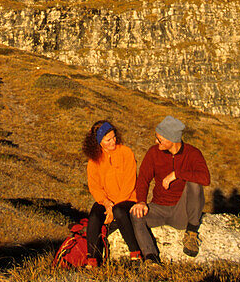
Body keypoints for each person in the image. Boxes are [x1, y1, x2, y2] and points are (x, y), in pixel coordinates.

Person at [130, 115, 210, 261]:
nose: (156, 141)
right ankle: (151, 257)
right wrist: (141, 201)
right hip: (158, 208)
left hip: (181, 212)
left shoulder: (192, 154)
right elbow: (143, 179)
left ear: (171, 139)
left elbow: (205, 178)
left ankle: (191, 233)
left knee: (194, 183)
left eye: (159, 139)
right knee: (136, 213)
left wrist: (177, 174)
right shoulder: (154, 152)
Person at [82, 119, 143, 269]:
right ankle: (92, 258)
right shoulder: (93, 161)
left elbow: (130, 182)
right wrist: (106, 203)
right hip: (107, 201)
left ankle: (135, 253)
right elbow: (94, 187)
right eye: (108, 139)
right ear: (98, 142)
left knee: (119, 211)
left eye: (114, 137)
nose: (113, 141)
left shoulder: (126, 152)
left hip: (127, 198)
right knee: (95, 215)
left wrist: (113, 206)